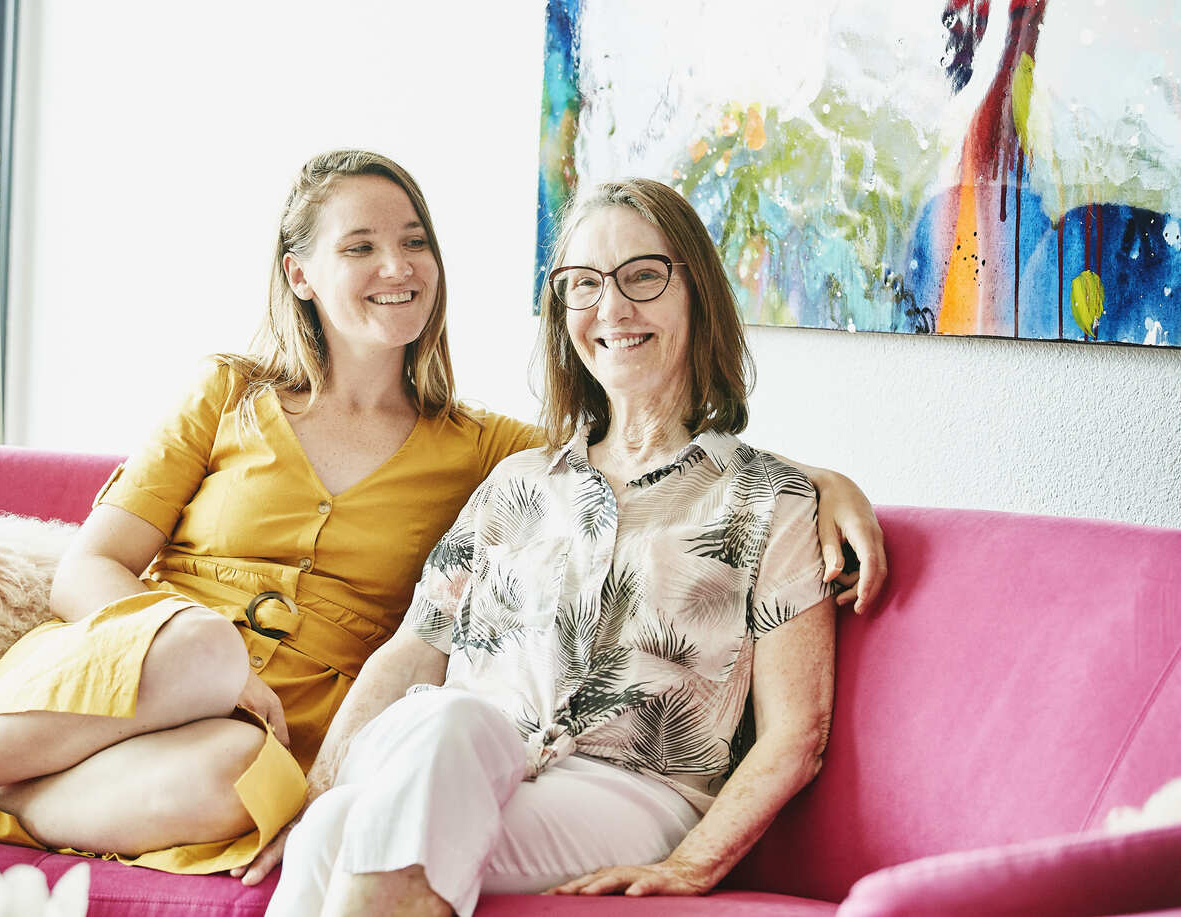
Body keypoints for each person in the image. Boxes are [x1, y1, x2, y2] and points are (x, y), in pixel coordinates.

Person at [0, 153, 882, 885]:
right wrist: (215, 663)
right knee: (203, 648)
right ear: (301, 275)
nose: (396, 265)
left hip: (255, 752)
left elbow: (646, 462)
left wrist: (819, 480)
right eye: (360, 246)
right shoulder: (228, 394)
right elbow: (91, 566)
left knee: (235, 773)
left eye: (412, 240)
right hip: (129, 675)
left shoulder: (485, 450)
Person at [267, 177, 845, 916]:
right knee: (351, 805)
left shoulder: (772, 502)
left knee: (360, 818)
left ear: (695, 292)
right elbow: (412, 652)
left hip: (625, 791)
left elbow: (798, 732)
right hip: (451, 753)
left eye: (642, 276)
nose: (612, 308)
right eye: (582, 285)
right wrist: (313, 793)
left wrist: (694, 863)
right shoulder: (516, 483)